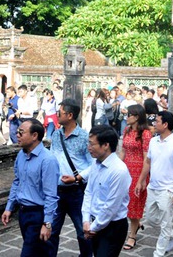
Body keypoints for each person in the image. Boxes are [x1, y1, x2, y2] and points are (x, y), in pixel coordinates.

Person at [2, 119, 59, 256]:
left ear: (34, 136)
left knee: (29, 252)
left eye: (21, 132)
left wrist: (47, 223)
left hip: (38, 214)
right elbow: (17, 182)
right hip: (23, 213)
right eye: (17, 132)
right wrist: (9, 207)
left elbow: (51, 195)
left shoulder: (48, 160)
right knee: (40, 252)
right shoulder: (21, 155)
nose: (18, 135)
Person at [135, 111, 173, 257]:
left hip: (168, 189)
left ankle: (159, 252)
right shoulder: (153, 141)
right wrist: (141, 181)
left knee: (165, 222)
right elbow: (148, 162)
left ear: (165, 124)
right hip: (153, 187)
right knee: (151, 219)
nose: (154, 124)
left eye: (157, 121)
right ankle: (172, 234)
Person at [48, 99, 93, 257]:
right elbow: (52, 159)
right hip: (57, 191)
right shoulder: (56, 134)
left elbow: (93, 165)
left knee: (83, 231)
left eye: (60, 113)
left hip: (77, 191)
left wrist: (77, 178)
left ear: (70, 115)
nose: (57, 115)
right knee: (51, 230)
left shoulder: (84, 137)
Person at [81, 125, 131, 257]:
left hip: (112, 227)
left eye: (92, 144)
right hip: (94, 222)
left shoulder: (118, 171)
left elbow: (111, 206)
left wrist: (92, 228)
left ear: (105, 145)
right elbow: (89, 192)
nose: (88, 147)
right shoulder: (95, 163)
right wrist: (86, 220)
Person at [119, 104, 152, 250]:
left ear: (137, 116)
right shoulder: (126, 130)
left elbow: (147, 158)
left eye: (129, 115)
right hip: (126, 170)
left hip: (139, 172)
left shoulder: (145, 133)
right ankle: (136, 223)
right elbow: (122, 152)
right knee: (124, 203)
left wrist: (142, 179)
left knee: (135, 204)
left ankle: (132, 235)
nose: (127, 117)